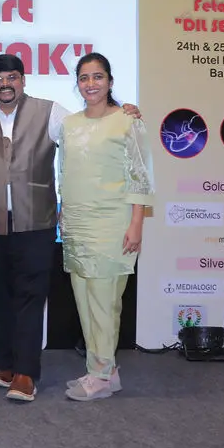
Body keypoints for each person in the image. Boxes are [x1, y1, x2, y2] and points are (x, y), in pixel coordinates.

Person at [0, 54, 140, 403]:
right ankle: (6, 366)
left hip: (37, 221)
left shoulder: (51, 113)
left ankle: (26, 373)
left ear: (23, 80)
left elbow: (90, 130)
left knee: (31, 298)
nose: (5, 84)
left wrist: (123, 112)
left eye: (12, 77)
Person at [58, 52, 154, 402]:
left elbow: (140, 175)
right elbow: (64, 170)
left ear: (110, 81)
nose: (91, 84)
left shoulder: (128, 121)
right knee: (84, 300)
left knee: (104, 302)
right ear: (77, 84)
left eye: (98, 77)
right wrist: (63, 210)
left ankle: (99, 374)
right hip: (77, 223)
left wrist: (136, 223)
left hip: (112, 223)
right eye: (84, 78)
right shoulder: (69, 124)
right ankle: (104, 371)